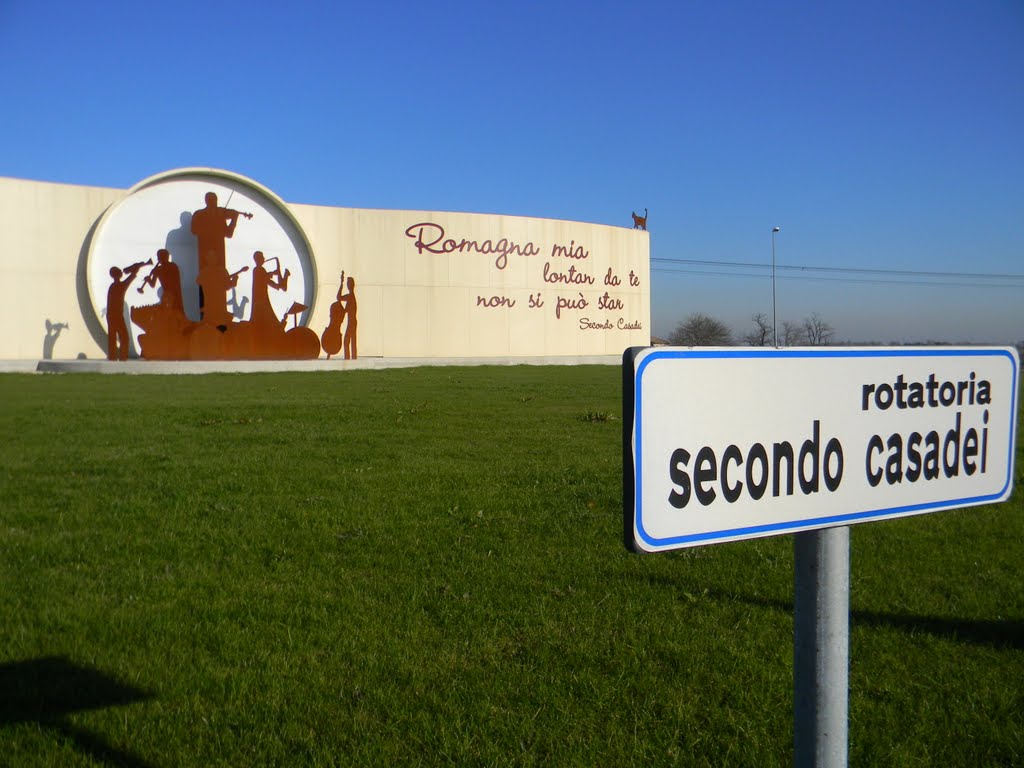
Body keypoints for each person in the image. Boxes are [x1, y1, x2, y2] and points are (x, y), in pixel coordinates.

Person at [190, 192, 249, 326]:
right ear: (206, 201)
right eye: (210, 200)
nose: (213, 203)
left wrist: (234, 219)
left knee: (221, 285)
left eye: (214, 200)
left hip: (219, 257)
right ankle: (206, 317)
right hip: (204, 255)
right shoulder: (199, 215)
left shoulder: (220, 215)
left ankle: (220, 318)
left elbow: (228, 233)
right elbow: (193, 230)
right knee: (206, 286)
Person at [106, 261, 145, 360]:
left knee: (113, 337)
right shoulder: (119, 286)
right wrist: (136, 269)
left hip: (111, 315)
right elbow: (130, 279)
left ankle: (113, 357)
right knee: (124, 337)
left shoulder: (113, 286)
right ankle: (122, 357)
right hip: (116, 315)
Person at [249, 251, 289, 331]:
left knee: (267, 312)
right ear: (258, 259)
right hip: (260, 299)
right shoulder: (257, 269)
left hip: (262, 297)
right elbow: (264, 278)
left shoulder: (260, 270)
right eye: (262, 257)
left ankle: (285, 277)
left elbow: (266, 280)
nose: (264, 258)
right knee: (266, 312)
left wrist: (277, 285)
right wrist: (274, 273)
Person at [341, 275, 358, 360]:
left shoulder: (350, 297)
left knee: (346, 341)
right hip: (353, 321)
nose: (347, 285)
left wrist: (341, 285)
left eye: (348, 283)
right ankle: (353, 357)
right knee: (353, 341)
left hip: (351, 322)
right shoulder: (351, 296)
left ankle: (348, 358)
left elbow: (339, 297)